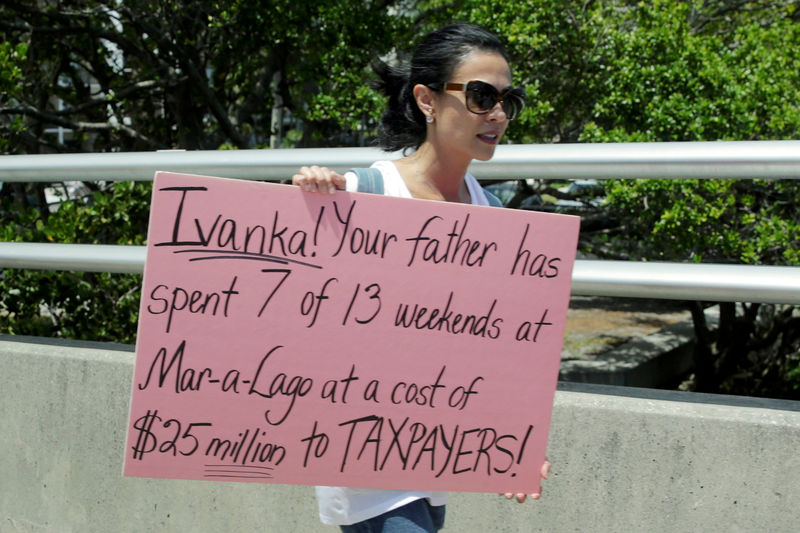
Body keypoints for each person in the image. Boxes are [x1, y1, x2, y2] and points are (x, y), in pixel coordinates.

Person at [292, 23, 551, 533]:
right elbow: (296, 307)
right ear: (427, 100)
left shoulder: (492, 212)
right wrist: (309, 199)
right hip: (363, 456)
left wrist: (516, 443)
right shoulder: (367, 193)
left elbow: (495, 349)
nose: (497, 114)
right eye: (480, 96)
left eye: (507, 99)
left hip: (435, 458)